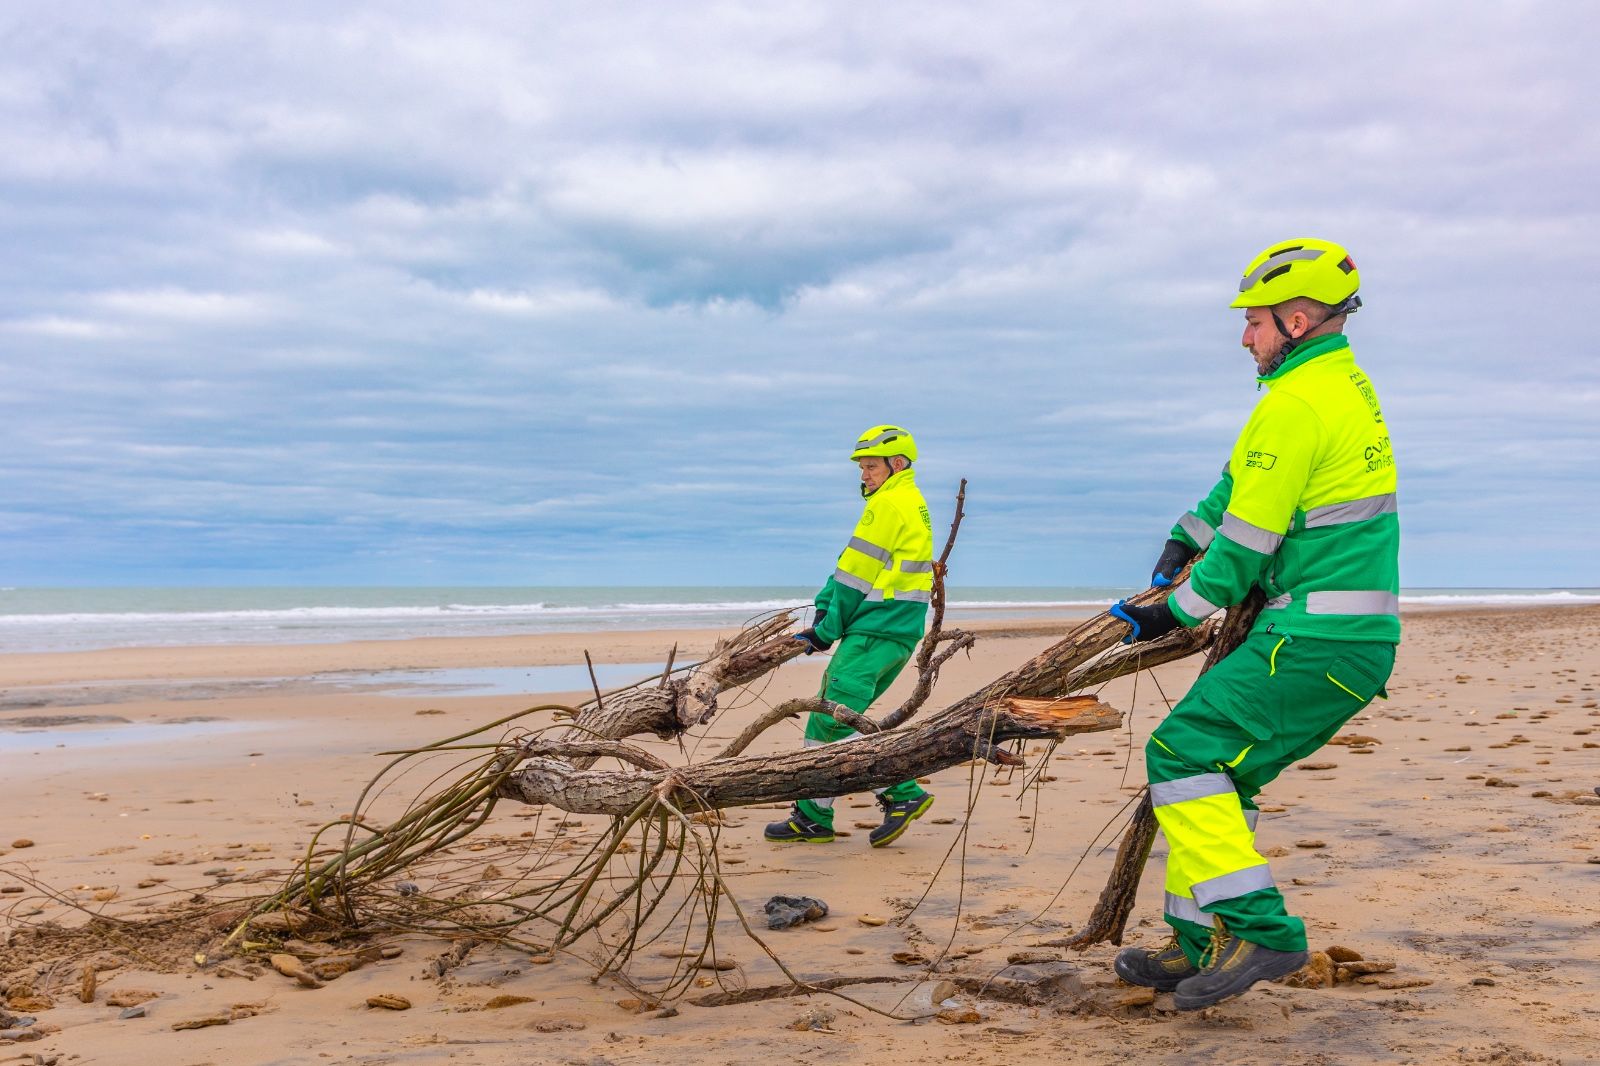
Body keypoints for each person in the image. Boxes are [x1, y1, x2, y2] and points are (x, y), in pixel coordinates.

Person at [1107, 238, 1400, 1010]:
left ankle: (1261, 930)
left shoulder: (1295, 403)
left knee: (1184, 750)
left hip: (1316, 639)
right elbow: (1241, 486)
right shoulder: (1333, 384)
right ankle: (1199, 943)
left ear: (1297, 319)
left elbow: (1245, 546)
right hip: (1338, 637)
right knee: (1219, 775)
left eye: (1255, 322)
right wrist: (1184, 535)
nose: (1245, 337)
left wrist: (1172, 611)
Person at [764, 425, 938, 848]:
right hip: (894, 631)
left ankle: (899, 793)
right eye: (861, 466)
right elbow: (852, 567)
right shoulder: (907, 502)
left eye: (870, 465)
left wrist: (825, 630)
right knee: (840, 718)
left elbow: (855, 577)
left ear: (897, 464)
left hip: (875, 631)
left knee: (829, 721)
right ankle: (813, 815)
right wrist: (826, 602)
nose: (863, 474)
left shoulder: (888, 505)